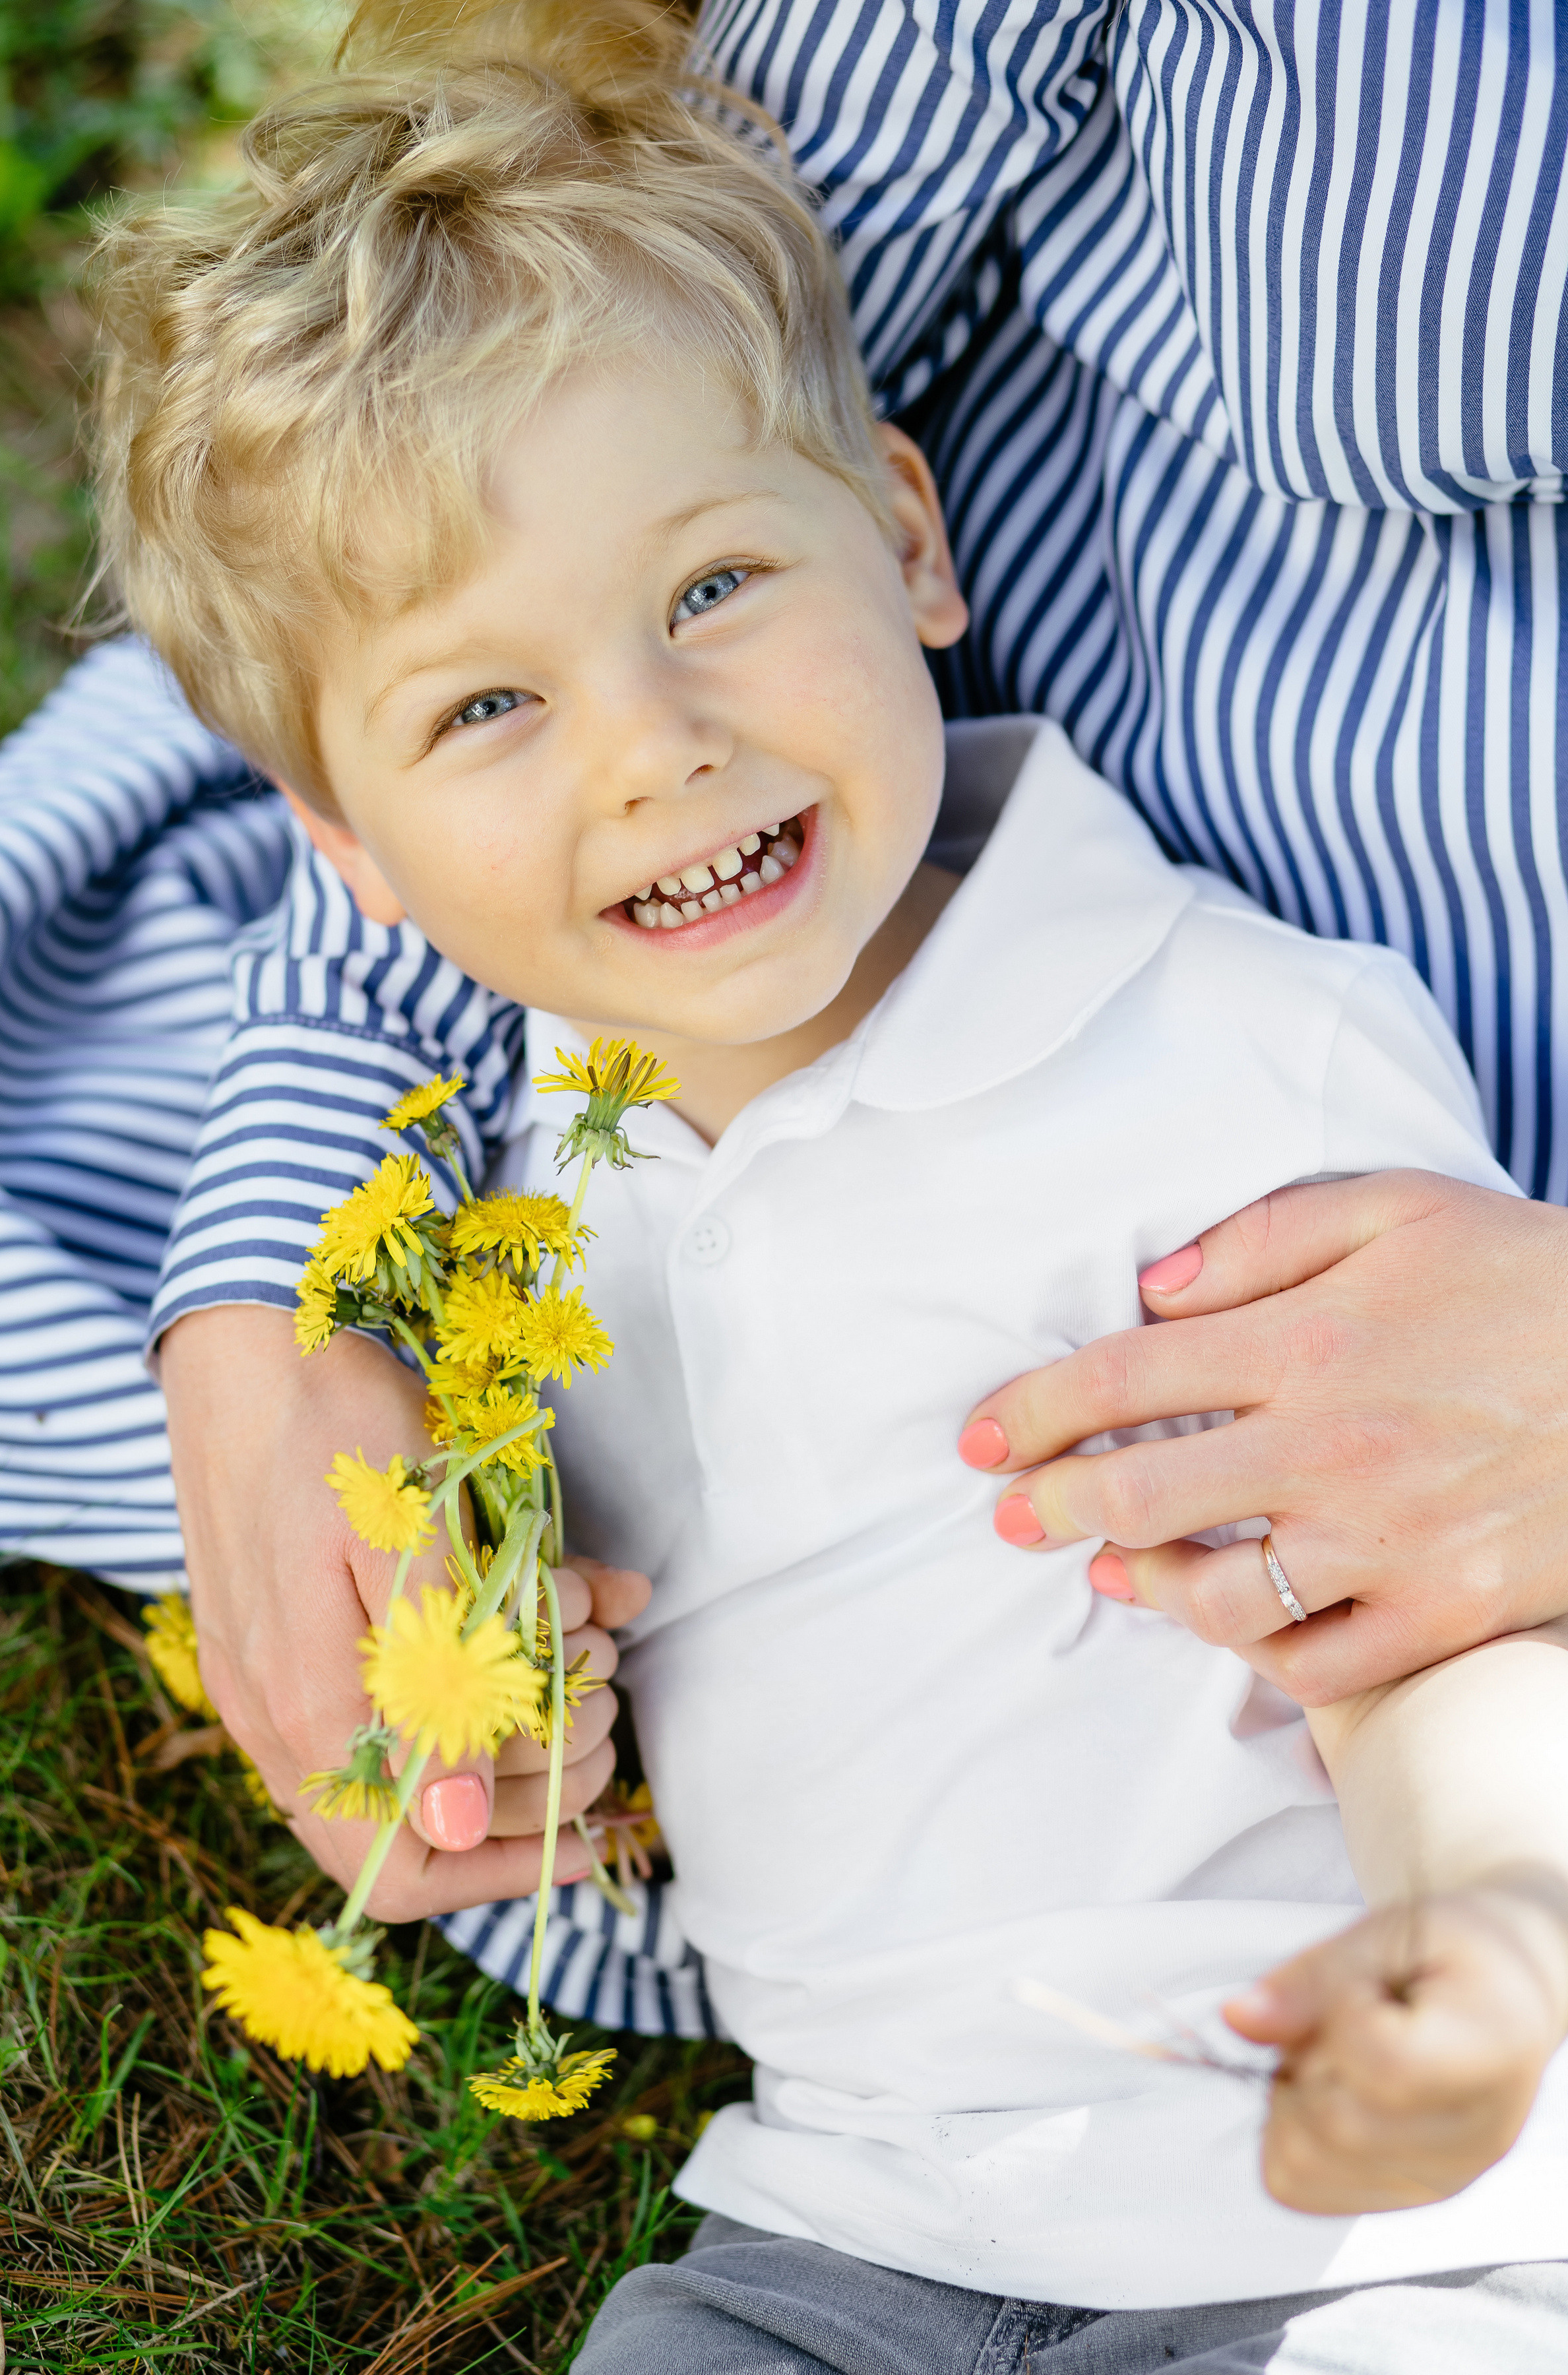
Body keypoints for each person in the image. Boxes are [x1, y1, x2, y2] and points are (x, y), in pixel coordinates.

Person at [83, 8, 1568, 2365]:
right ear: (347, 855)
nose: (657, 752)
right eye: (491, 707)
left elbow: (1447, 1612)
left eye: (709, 592)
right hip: (845, 2220)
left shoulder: (1227, 1041)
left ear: (906, 534)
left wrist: (1489, 1927)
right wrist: (502, 1693)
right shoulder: (514, 1191)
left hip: (1350, 2225)